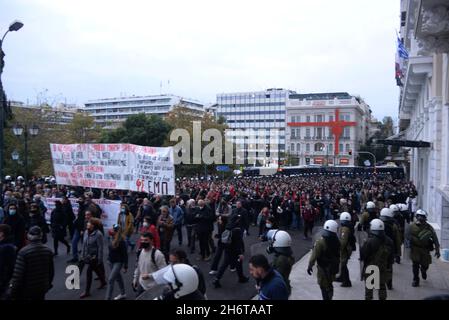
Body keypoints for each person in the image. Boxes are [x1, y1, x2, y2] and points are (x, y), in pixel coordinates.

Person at [8, 226, 54, 300]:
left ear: (28, 236)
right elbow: (51, 272)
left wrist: (12, 290)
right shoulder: (48, 251)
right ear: (41, 236)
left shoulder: (23, 252)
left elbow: (18, 275)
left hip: (27, 289)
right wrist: (48, 284)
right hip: (42, 287)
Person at [212, 214, 249, 288]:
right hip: (235, 250)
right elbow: (238, 243)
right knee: (238, 263)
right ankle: (241, 278)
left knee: (225, 264)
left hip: (227, 248)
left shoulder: (228, 226)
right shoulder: (237, 230)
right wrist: (240, 253)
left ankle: (217, 279)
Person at [360, 219, 394, 300]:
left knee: (369, 289)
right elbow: (391, 256)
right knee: (382, 287)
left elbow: (363, 255)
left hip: (371, 267)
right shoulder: (389, 240)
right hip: (383, 267)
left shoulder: (369, 241)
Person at [307, 220, 340, 300]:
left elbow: (314, 256)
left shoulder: (321, 242)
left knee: (323, 286)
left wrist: (310, 266)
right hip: (333, 267)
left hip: (323, 268)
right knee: (329, 284)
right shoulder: (337, 241)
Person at [407, 209, 440, 287]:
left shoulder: (429, 228)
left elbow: (435, 239)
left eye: (422, 217)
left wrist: (437, 250)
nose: (420, 218)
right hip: (415, 249)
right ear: (416, 217)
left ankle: (423, 270)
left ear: (425, 218)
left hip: (425, 249)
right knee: (415, 265)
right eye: (419, 216)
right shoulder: (411, 226)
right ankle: (415, 280)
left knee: (425, 265)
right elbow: (407, 237)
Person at [79, 218, 107, 299]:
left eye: (89, 223)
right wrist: (82, 255)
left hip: (94, 256)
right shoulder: (86, 232)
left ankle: (87, 291)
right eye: (87, 223)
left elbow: (100, 248)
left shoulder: (98, 234)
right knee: (96, 269)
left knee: (89, 272)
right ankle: (103, 281)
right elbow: (84, 245)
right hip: (87, 255)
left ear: (93, 225)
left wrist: (100, 259)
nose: (87, 224)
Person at [133, 232, 167, 297]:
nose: (143, 242)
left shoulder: (157, 254)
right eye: (142, 240)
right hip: (142, 284)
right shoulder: (140, 252)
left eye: (146, 240)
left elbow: (163, 272)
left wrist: (149, 276)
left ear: (151, 241)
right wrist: (135, 279)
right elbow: (138, 266)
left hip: (153, 288)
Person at [266, 229, 294, 295]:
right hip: (284, 284)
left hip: (278, 290)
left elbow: (275, 276)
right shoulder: (287, 255)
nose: (272, 244)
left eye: (273, 242)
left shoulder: (281, 260)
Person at [379, 207, 402, 290]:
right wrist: (398, 253)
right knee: (389, 267)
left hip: (379, 248)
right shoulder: (394, 225)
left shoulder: (377, 223)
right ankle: (389, 284)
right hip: (390, 249)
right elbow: (397, 240)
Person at [105, 224, 128, 300]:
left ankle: (108, 298)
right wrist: (108, 259)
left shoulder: (121, 241)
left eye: (113, 229)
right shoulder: (111, 238)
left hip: (118, 262)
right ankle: (123, 293)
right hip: (110, 261)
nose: (111, 230)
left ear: (115, 231)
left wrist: (125, 266)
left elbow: (125, 254)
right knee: (118, 278)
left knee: (111, 279)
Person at [336, 212, 355, 287]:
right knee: (343, 264)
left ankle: (347, 281)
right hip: (347, 248)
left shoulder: (345, 229)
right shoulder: (348, 227)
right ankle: (342, 277)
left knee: (343, 265)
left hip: (345, 249)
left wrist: (338, 249)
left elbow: (343, 242)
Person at [68, 196, 86, 263]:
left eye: (80, 199)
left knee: (84, 243)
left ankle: (83, 257)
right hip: (77, 228)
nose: (79, 201)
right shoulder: (80, 207)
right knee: (74, 242)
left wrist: (82, 229)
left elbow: (83, 220)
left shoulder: (85, 208)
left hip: (81, 229)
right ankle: (75, 257)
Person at [0, 224, 16, 299]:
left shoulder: (5, 247)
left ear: (2, 233)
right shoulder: (8, 244)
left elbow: (3, 265)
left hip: (3, 278)